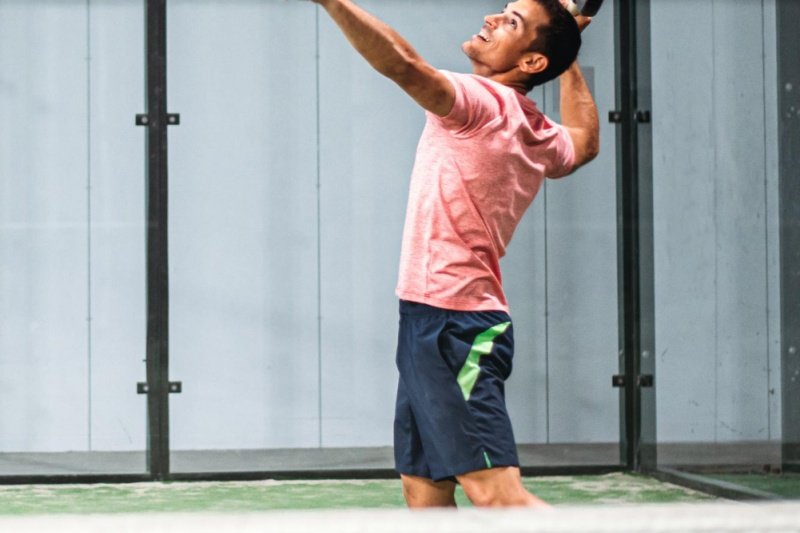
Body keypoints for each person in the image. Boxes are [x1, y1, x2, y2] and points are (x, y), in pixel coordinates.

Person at [308, 0, 599, 508]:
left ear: (530, 63)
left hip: (456, 328)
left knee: (497, 496)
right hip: (428, 319)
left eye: (511, 22)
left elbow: (403, 65)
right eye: (502, 11)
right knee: (424, 490)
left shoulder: (482, 103)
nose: (491, 19)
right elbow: (586, 143)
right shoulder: (536, 130)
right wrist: (567, 54)